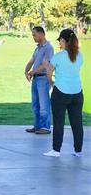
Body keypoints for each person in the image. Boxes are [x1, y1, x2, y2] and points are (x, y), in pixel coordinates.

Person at [44, 29, 84, 158]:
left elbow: (48, 73)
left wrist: (52, 83)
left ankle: (56, 150)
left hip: (60, 93)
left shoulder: (58, 56)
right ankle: (78, 151)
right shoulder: (80, 56)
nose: (59, 43)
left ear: (63, 40)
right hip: (77, 93)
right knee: (77, 122)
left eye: (60, 41)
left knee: (58, 122)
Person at [24, 27, 53, 135]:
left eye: (34, 35)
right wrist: (26, 71)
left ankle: (45, 127)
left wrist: (33, 72)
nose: (33, 37)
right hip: (36, 79)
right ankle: (37, 126)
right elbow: (32, 60)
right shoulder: (37, 48)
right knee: (35, 104)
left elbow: (45, 64)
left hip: (43, 78)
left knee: (44, 103)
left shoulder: (48, 48)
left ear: (41, 34)